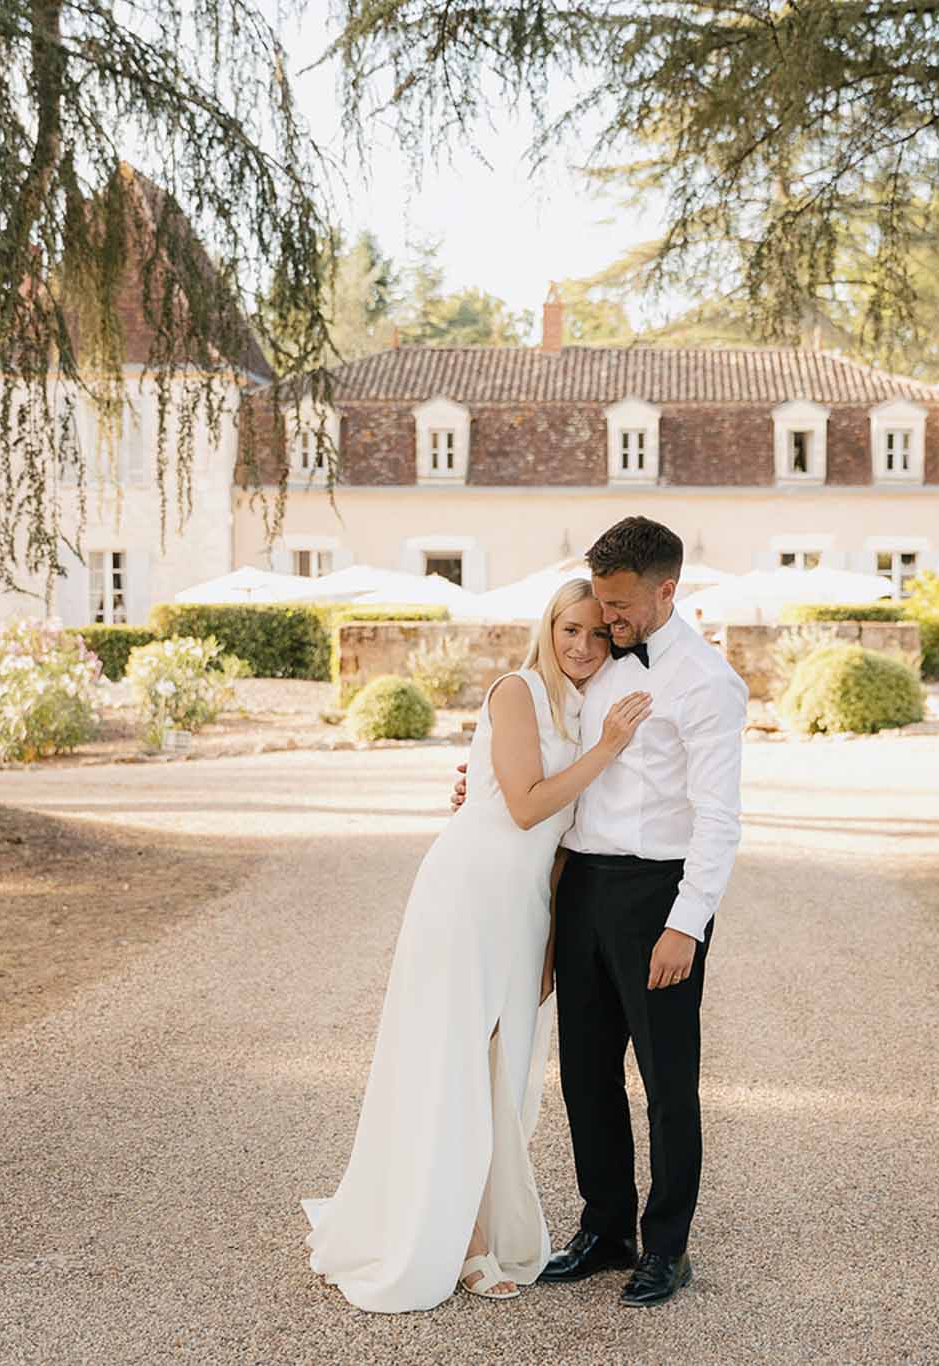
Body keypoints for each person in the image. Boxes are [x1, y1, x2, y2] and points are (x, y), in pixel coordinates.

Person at [302, 578, 653, 1313]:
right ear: (547, 629)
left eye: (597, 634)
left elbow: (564, 847)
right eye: (570, 630)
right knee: (454, 1057)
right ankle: (458, 1247)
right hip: (465, 893)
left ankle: (478, 1228)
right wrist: (610, 751)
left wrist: (552, 945)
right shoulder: (516, 691)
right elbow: (526, 807)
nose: (584, 646)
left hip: (521, 909)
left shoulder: (586, 709)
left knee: (504, 1068)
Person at [453, 515, 748, 1308]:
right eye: (602, 610)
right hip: (579, 885)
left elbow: (719, 817)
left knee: (666, 1081)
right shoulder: (596, 668)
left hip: (658, 895)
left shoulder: (709, 684)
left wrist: (687, 922)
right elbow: (542, 747)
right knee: (584, 1073)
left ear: (667, 591)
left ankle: (667, 1250)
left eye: (621, 609)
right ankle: (606, 1228)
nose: (609, 624)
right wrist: (476, 780)